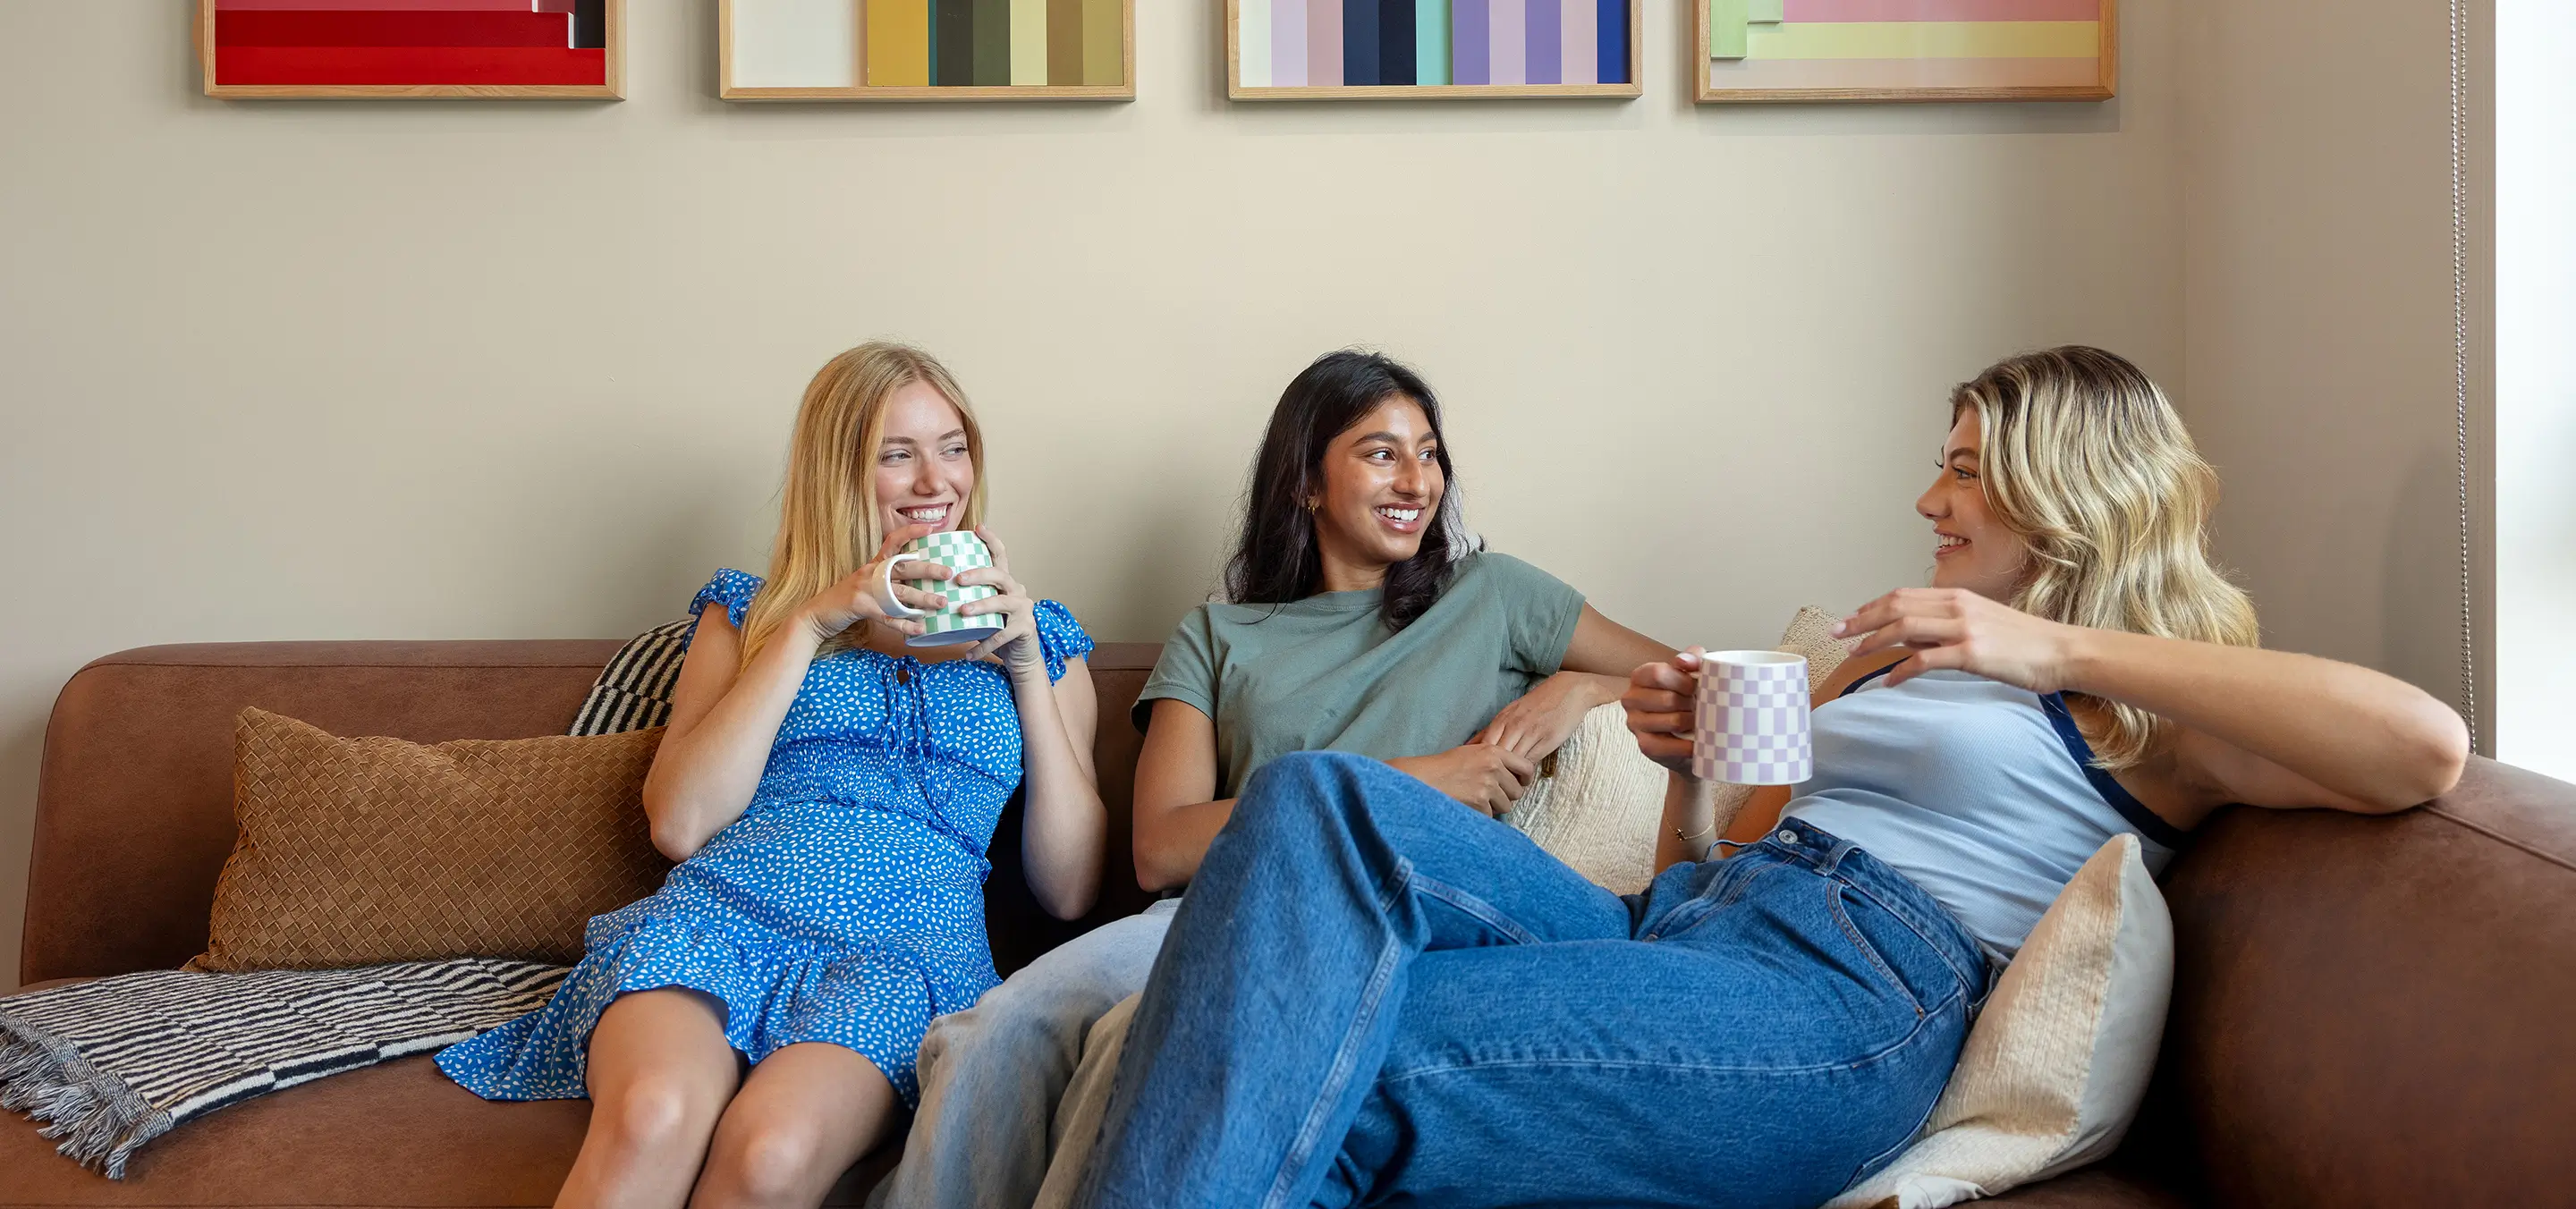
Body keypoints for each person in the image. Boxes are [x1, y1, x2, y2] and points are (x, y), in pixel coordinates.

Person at [1069, 346, 2470, 1209]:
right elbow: (1702, 866)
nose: (1930, 500)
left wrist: (2044, 645)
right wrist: (1686, 772)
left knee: (1343, 1054)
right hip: (1693, 929)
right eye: (1940, 466)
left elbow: (2423, 745)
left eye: (1965, 471)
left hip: (1842, 1002)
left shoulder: (2136, 704)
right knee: (1315, 800)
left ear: (2066, 489)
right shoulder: (1887, 655)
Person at [871, 350, 1674, 1209]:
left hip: (1396, 919)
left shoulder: (1497, 596)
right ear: (1305, 484)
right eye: (1380, 452)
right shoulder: (1220, 637)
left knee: (1127, 1048)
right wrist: (1422, 781)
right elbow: (1161, 847)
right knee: (992, 1033)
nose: (1418, 478)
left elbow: (1698, 684)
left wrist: (1582, 685)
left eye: (1429, 451)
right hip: (1220, 907)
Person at [436, 342, 1106, 1209]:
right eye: (895, 453)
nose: (934, 478)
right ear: (838, 471)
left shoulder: (1045, 639)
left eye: (953, 444)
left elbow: (1072, 886)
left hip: (904, 957)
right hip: (723, 916)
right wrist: (814, 619)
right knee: (653, 1109)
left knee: (773, 1154)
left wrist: (1022, 666)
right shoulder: (750, 610)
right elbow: (680, 823)